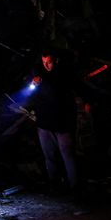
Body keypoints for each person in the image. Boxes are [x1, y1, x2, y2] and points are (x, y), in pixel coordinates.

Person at [26, 47, 82, 198]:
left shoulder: (63, 75)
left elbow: (56, 90)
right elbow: (34, 77)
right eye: (44, 62)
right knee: (49, 156)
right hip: (45, 123)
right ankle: (55, 185)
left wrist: (40, 81)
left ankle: (74, 187)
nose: (46, 65)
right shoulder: (40, 73)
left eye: (49, 62)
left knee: (68, 155)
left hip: (62, 123)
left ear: (56, 61)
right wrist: (34, 79)